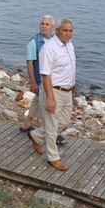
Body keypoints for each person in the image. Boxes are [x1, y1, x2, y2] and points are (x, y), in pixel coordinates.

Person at [29, 18, 76, 172]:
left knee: (64, 122)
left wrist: (73, 82)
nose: (68, 34)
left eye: (70, 31)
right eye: (65, 30)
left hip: (67, 91)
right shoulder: (49, 48)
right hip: (53, 91)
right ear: (57, 30)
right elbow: (45, 74)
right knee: (51, 126)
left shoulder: (69, 45)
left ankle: (36, 136)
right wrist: (50, 98)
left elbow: (69, 66)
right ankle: (53, 157)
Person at [21, 15, 55, 133]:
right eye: (42, 24)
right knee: (46, 105)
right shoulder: (34, 42)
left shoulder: (54, 40)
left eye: (47, 24)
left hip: (52, 79)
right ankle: (49, 132)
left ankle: (26, 125)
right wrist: (33, 82)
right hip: (41, 80)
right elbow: (30, 63)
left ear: (52, 28)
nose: (44, 26)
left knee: (36, 101)